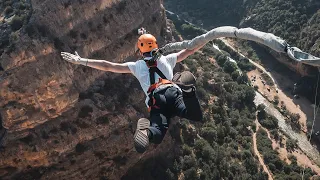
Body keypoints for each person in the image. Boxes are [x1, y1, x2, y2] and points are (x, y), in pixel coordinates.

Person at [61, 32, 204, 153]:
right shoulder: (167, 58)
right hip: (173, 92)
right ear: (156, 46)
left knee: (157, 135)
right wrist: (206, 38)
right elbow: (189, 50)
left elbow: (108, 66)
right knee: (195, 115)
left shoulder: (136, 66)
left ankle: (147, 132)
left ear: (140, 52)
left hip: (157, 101)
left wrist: (81, 60)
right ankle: (188, 90)